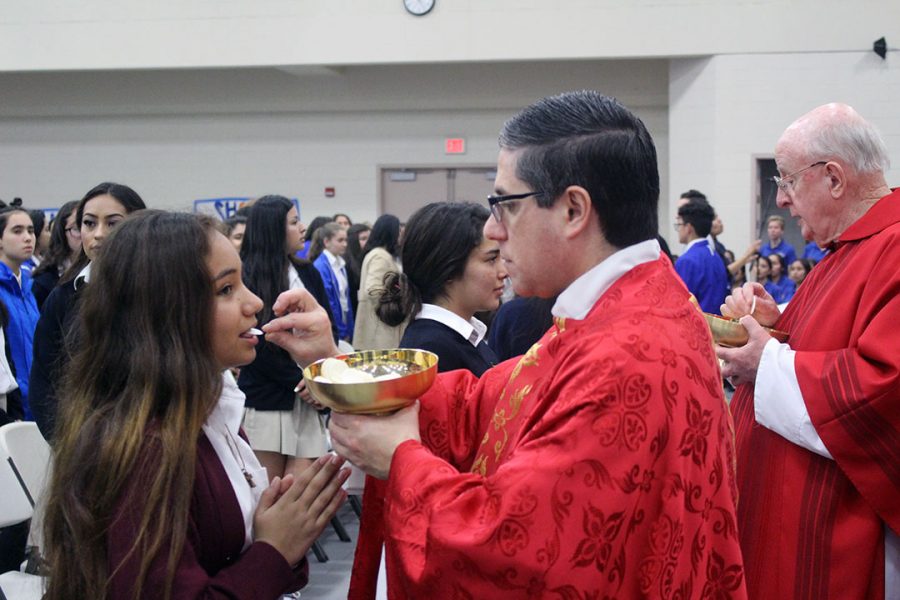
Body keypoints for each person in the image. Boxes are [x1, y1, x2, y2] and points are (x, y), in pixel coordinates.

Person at [328, 90, 745, 598]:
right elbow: (491, 402)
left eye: (505, 204)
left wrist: (403, 462)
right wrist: (342, 374)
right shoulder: (634, 305)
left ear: (573, 210)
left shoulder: (626, 355)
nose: (491, 229)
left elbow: (520, 557)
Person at [40, 211, 349, 600]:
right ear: (165, 313)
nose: (254, 303)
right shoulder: (146, 448)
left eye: (242, 283)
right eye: (225, 290)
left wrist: (279, 535)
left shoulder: (203, 412)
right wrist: (273, 552)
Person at [716, 103, 900, 599]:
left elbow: (886, 388)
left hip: (842, 539)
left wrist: (765, 362)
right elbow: (829, 351)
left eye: (788, 181)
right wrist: (775, 331)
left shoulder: (894, 247)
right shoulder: (844, 252)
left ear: (835, 178)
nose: (781, 200)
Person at [30, 182, 146, 440]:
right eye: (89, 223)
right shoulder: (62, 298)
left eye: (113, 223)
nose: (98, 234)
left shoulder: (160, 293)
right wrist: (68, 443)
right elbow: (43, 382)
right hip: (80, 445)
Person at [238, 195, 335, 483]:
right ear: (272, 231)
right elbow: (257, 340)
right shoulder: (246, 276)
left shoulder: (307, 271)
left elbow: (327, 327)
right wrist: (302, 381)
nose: (303, 227)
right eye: (294, 222)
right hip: (268, 399)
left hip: (309, 397)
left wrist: (318, 381)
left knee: (302, 497)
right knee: (267, 497)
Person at [0, 208, 39, 420]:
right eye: (17, 230)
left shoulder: (27, 287)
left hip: (35, 401)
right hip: (10, 405)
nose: (27, 237)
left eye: (31, 230)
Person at [352, 215, 404, 351]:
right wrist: (395, 305)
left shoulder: (378, 254)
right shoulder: (380, 256)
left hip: (377, 324)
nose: (400, 236)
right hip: (379, 327)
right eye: (398, 232)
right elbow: (373, 289)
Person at [674, 201, 730, 314]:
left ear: (689, 228)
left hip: (695, 326)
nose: (678, 230)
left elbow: (679, 304)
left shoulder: (687, 261)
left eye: (679, 225)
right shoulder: (715, 256)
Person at [30, 200, 81, 309]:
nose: (84, 233)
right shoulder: (44, 281)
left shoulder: (101, 272)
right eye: (76, 228)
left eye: (89, 224)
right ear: (62, 233)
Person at [313, 222, 354, 342]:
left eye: (346, 240)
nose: (345, 244)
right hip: (334, 324)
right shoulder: (321, 266)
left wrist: (349, 329)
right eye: (340, 240)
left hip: (345, 319)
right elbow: (329, 302)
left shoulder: (341, 264)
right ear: (326, 242)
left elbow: (345, 300)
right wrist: (340, 330)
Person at [345, 222, 371, 318]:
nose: (368, 242)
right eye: (363, 239)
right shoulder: (346, 263)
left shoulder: (370, 258)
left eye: (369, 238)